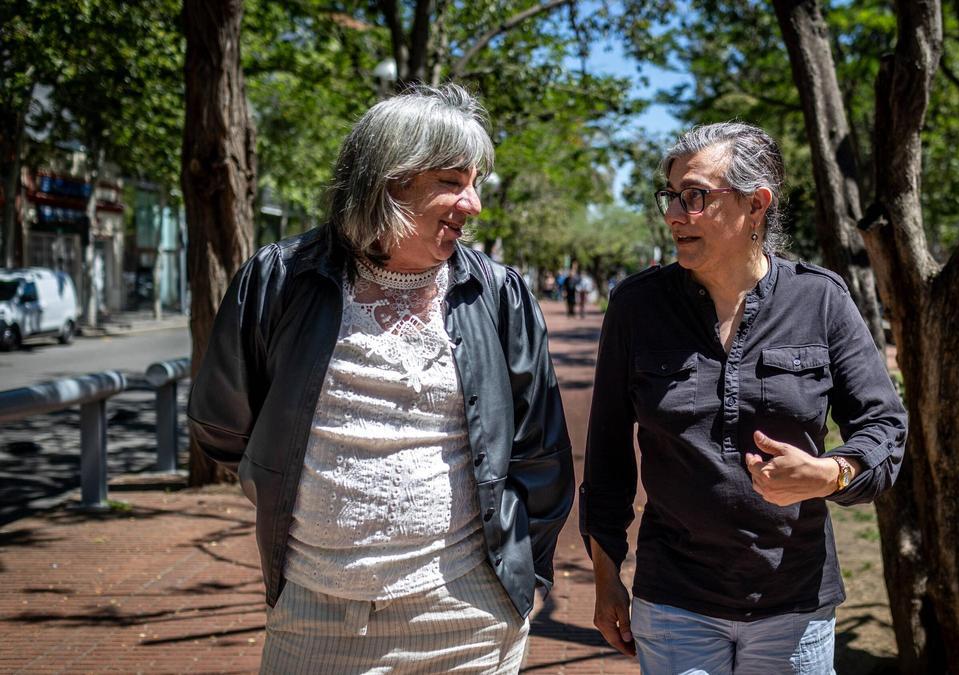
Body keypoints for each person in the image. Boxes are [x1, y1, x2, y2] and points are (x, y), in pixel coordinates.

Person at [188, 84, 574, 674]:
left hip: (470, 614)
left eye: (475, 182)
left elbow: (540, 452)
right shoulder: (278, 279)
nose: (473, 204)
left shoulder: (500, 294)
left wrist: (530, 577)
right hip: (314, 613)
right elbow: (223, 426)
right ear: (390, 182)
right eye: (452, 181)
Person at [580, 122, 906, 674]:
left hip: (793, 601)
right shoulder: (637, 307)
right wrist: (607, 577)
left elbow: (884, 427)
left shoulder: (819, 299)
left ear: (757, 205)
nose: (675, 214)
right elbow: (607, 454)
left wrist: (833, 472)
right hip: (674, 599)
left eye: (696, 197)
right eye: (672, 196)